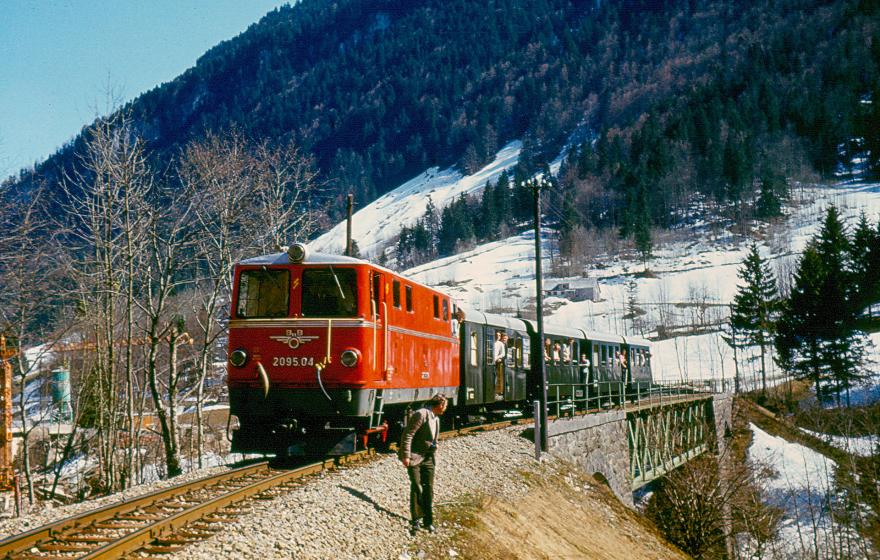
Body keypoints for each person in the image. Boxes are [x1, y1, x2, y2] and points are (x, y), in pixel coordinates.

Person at [399, 394, 448, 535]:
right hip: (415, 457)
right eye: (444, 406)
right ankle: (415, 519)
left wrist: (435, 445)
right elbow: (408, 435)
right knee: (417, 486)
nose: (445, 409)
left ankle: (428, 521)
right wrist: (406, 456)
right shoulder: (421, 414)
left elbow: (433, 438)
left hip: (428, 458)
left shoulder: (436, 418)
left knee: (429, 489)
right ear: (439, 405)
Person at [493, 332, 506, 400]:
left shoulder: (500, 344)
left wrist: (497, 357)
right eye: (496, 335)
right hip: (491, 360)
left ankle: (496, 392)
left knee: (496, 376)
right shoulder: (492, 342)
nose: (497, 336)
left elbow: (503, 353)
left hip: (496, 361)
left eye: (499, 335)